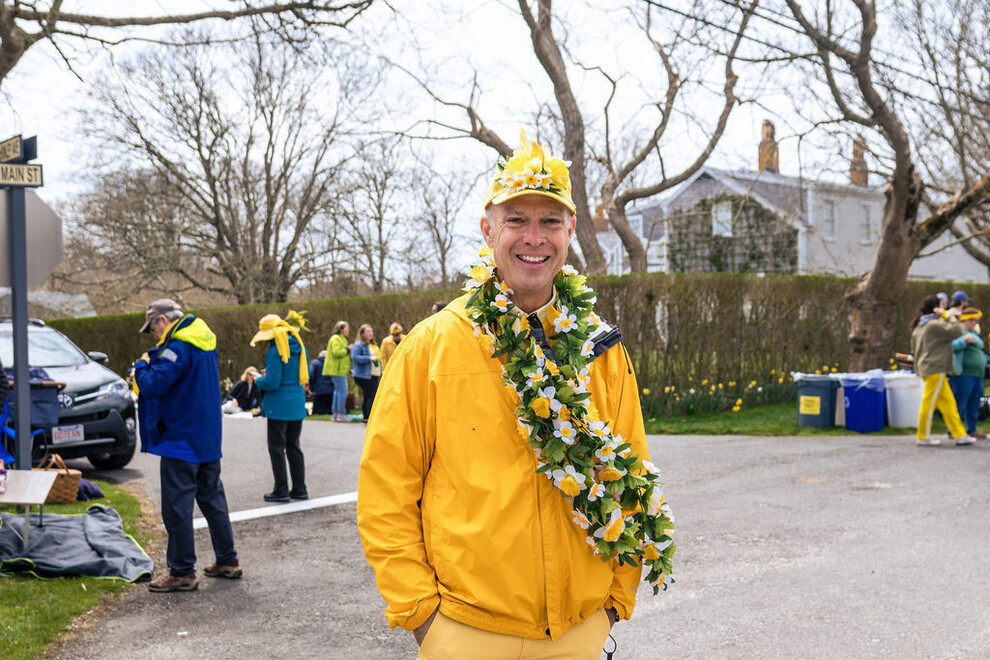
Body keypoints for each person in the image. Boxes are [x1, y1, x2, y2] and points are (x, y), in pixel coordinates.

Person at [357, 130, 674, 658]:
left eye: (550, 221)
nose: (535, 237)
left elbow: (631, 469)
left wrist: (615, 598)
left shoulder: (599, 346)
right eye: (517, 221)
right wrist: (423, 616)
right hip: (464, 629)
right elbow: (386, 488)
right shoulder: (431, 345)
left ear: (570, 230)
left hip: (579, 629)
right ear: (488, 230)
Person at [133, 299, 241, 592]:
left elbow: (154, 385)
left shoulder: (176, 348)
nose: (154, 336)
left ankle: (182, 572)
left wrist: (141, 366)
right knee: (212, 499)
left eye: (152, 329)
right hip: (206, 438)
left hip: (180, 440)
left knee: (177, 509)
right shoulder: (204, 343)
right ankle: (227, 560)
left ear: (162, 321)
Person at [251, 314, 309, 502]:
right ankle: (300, 488)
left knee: (276, 448)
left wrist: (258, 379)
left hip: (278, 405)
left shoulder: (275, 351)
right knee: (294, 447)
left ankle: (281, 489)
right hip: (296, 403)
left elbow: (272, 383)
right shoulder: (300, 347)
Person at [910, 295, 977, 447]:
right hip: (935, 368)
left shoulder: (920, 325)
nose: (945, 308)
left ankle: (959, 435)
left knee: (948, 403)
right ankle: (922, 436)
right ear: (935, 308)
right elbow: (957, 330)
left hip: (928, 368)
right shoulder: (933, 325)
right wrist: (947, 315)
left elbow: (914, 349)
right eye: (942, 305)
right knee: (928, 403)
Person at [950, 307, 986, 439]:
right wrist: (963, 340)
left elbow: (980, 351)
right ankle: (953, 431)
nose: (976, 323)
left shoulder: (975, 334)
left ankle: (972, 429)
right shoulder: (957, 331)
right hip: (964, 375)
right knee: (960, 403)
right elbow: (949, 346)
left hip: (978, 375)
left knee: (974, 404)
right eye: (974, 321)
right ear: (968, 320)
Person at [350, 324, 381, 423]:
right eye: (368, 332)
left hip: (374, 374)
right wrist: (369, 358)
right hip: (364, 375)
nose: (370, 334)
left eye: (371, 331)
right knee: (371, 395)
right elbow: (355, 357)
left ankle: (366, 416)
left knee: (368, 395)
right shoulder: (358, 345)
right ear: (362, 333)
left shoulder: (372, 345)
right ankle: (369, 416)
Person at [323, 321, 352, 423]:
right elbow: (337, 352)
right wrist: (347, 349)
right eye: (346, 329)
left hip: (339, 370)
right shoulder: (336, 338)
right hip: (337, 370)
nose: (348, 331)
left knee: (338, 392)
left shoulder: (341, 339)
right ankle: (341, 414)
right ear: (341, 329)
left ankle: (335, 413)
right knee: (342, 392)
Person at [308, 350, 335, 415]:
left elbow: (311, 376)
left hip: (319, 391)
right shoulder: (333, 363)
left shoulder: (315, 363)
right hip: (332, 391)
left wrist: (311, 388)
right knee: (330, 409)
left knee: (318, 410)